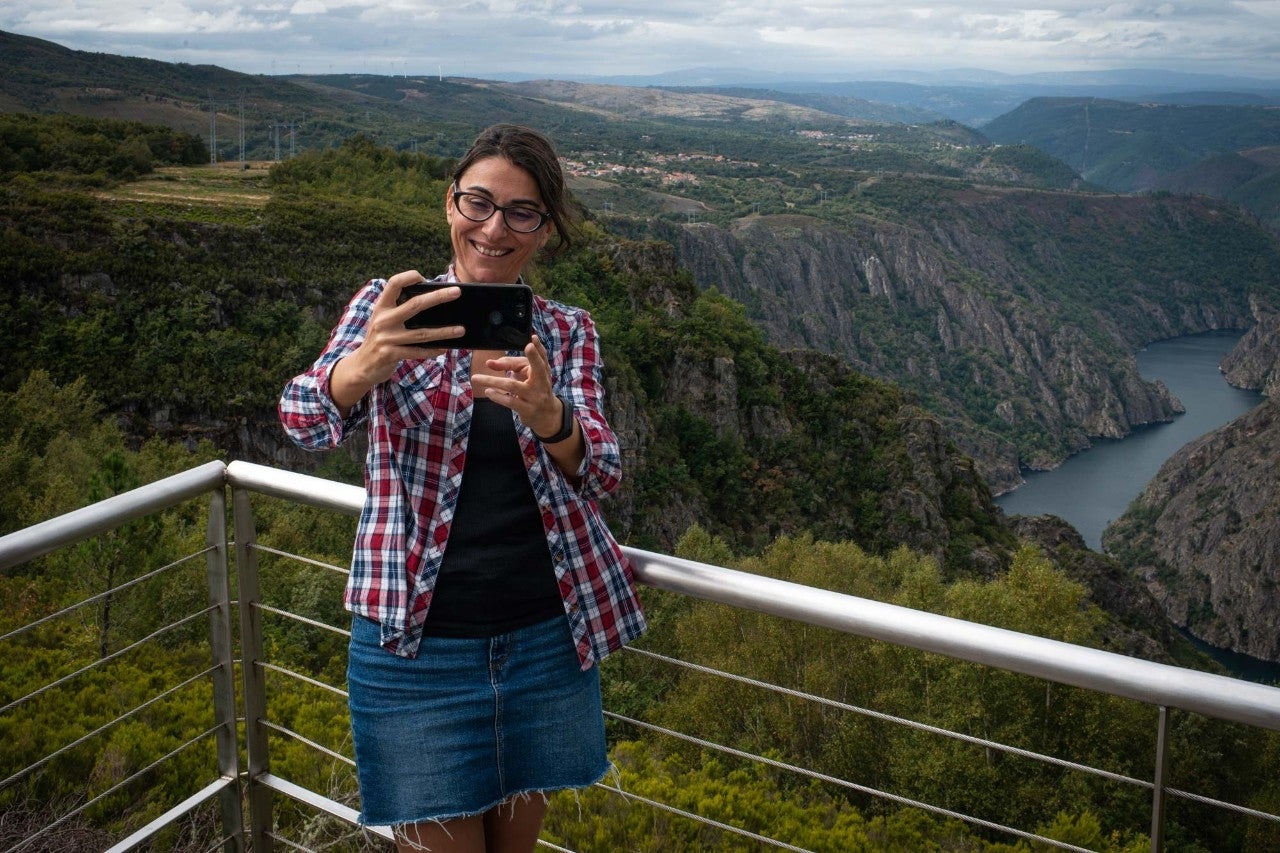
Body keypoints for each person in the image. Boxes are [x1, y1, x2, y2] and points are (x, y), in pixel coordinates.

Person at [278, 124, 646, 852]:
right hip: (416, 652)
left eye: (522, 212)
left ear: (545, 230)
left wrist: (551, 416)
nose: (494, 227)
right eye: (478, 202)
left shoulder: (567, 333)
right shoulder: (392, 309)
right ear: (450, 204)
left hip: (547, 640)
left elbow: (602, 469)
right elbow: (301, 421)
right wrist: (365, 363)